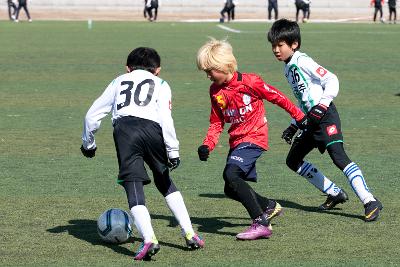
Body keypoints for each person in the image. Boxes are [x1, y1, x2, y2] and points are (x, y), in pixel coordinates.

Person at [81, 47, 204, 260]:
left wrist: (88, 144)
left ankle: (149, 240)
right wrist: (173, 150)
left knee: (133, 185)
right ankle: (190, 233)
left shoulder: (119, 80)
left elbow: (92, 115)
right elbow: (166, 118)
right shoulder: (162, 84)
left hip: (126, 130)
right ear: (158, 70)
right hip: (153, 130)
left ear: (127, 69)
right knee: (164, 180)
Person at [267, 19, 383, 222]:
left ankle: (369, 200)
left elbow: (331, 79)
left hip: (325, 115)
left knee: (338, 157)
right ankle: (334, 192)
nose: (276, 50)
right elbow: (305, 99)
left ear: (294, 44)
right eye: (273, 46)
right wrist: (295, 124)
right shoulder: (288, 67)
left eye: (280, 45)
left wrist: (323, 104)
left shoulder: (302, 60)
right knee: (293, 160)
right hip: (311, 120)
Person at [196, 39, 308, 240]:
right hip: (237, 140)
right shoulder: (215, 91)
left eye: (210, 71)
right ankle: (269, 206)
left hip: (255, 136)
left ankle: (261, 222)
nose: (207, 76)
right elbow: (216, 122)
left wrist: (299, 116)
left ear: (223, 66)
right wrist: (207, 144)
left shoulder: (251, 82)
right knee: (230, 188)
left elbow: (278, 97)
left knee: (231, 175)